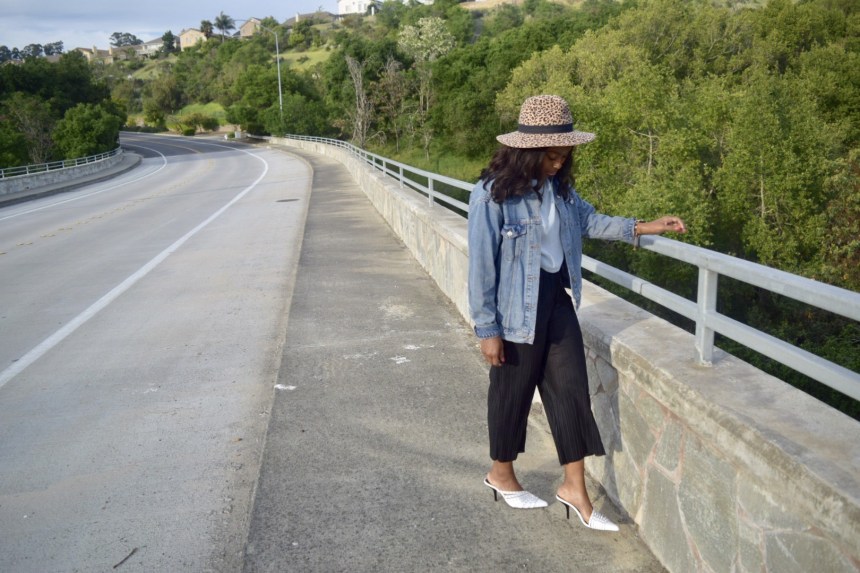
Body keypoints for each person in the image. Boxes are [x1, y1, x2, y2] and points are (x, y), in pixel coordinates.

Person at [468, 94, 687, 532]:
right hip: (513, 310)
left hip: (556, 299)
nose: (558, 163)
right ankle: (502, 473)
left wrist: (643, 227)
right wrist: (487, 328)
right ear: (525, 151)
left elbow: (590, 221)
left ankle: (574, 489)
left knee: (571, 390)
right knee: (512, 390)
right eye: (551, 156)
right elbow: (482, 267)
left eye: (564, 156)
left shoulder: (561, 191)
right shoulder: (492, 196)